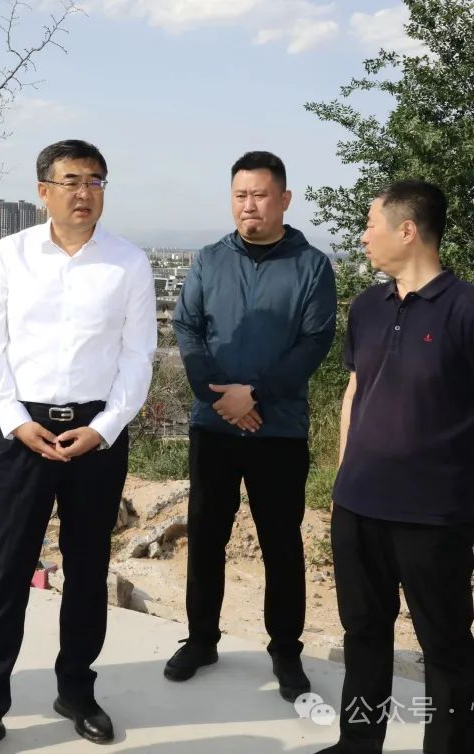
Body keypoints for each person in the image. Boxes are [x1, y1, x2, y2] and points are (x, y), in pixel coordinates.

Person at [0, 139, 156, 754]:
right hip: (22, 432)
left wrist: (105, 428)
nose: (84, 193)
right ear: (44, 191)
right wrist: (15, 421)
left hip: (97, 433)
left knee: (88, 569)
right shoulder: (10, 255)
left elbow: (138, 356)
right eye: (71, 181)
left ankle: (77, 691)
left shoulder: (128, 262)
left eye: (95, 181)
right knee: (7, 572)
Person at [320, 179, 474, 754]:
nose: (363, 237)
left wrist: (470, 481)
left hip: (432, 516)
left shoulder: (470, 310)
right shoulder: (366, 307)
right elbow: (355, 390)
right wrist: (343, 474)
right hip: (358, 505)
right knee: (363, 633)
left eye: (371, 225)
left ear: (407, 231)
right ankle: (357, 744)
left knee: (446, 645)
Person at [164, 150, 336, 703]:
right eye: (240, 195)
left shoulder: (311, 266)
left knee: (280, 542)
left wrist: (254, 395)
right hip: (213, 426)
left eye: (260, 195)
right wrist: (217, 397)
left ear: (284, 199)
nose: (249, 205)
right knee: (206, 536)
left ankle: (285, 649)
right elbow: (187, 327)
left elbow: (314, 342)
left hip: (278, 430)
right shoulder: (210, 259)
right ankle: (201, 639)